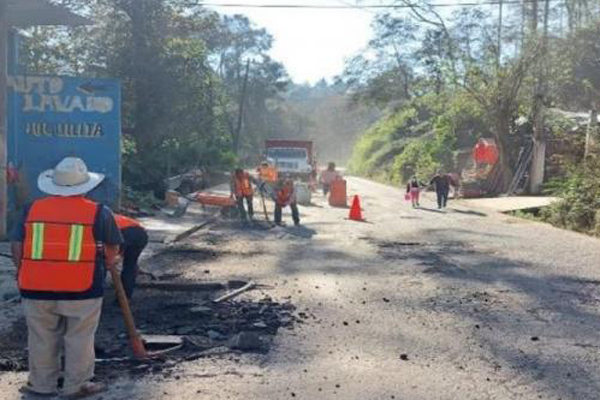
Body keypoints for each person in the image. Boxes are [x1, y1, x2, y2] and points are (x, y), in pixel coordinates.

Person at [10, 157, 122, 399]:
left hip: (35, 287)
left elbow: (17, 245)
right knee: (79, 337)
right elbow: (112, 247)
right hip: (81, 289)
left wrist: (24, 271)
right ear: (85, 186)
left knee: (41, 337)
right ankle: (76, 385)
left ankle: (41, 385)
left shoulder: (31, 209)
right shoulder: (98, 212)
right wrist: (109, 262)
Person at [114, 214, 148, 299]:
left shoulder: (97, 217)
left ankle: (97, 295)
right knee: (130, 266)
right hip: (141, 234)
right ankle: (124, 298)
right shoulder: (108, 214)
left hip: (123, 233)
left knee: (102, 263)